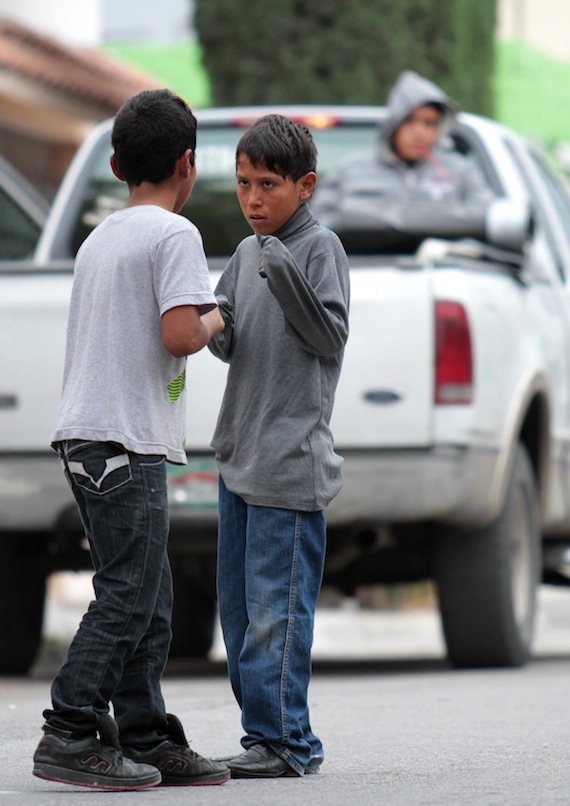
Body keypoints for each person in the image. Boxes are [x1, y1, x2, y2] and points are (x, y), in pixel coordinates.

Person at [32, 89, 230, 791]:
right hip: (123, 443)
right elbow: (181, 333)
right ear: (188, 164)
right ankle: (70, 729)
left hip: (90, 438)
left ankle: (145, 734)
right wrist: (217, 317)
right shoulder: (173, 236)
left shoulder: (102, 236)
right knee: (127, 595)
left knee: (150, 593)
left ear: (116, 164)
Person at [208, 114, 350, 778]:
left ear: (305, 185)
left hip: (291, 466)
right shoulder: (244, 251)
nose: (253, 198)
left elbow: (327, 338)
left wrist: (280, 268)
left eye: (268, 184)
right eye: (242, 183)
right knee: (238, 618)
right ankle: (261, 734)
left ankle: (289, 741)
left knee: (277, 615)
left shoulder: (319, 249)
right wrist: (195, 314)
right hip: (239, 459)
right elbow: (229, 336)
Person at [311, 70, 495, 241]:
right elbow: (319, 226)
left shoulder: (460, 171)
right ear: (394, 124)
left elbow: (487, 215)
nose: (419, 132)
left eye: (429, 123)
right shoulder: (350, 170)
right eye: (409, 121)